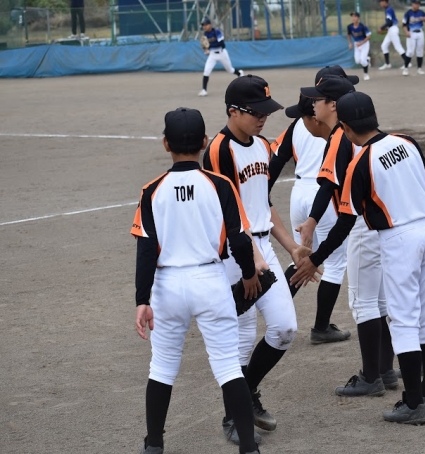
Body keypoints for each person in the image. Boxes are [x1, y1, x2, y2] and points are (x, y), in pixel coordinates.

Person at [291, 91, 425, 425]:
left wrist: (316, 258)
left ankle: (413, 403)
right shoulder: (406, 141)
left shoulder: (360, 163)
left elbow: (345, 223)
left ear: (346, 128)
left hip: (399, 239)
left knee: (403, 320)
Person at [132, 107, 261, 454]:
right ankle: (249, 448)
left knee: (162, 368)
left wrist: (142, 300)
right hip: (210, 280)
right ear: (204, 142)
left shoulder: (151, 190)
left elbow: (146, 250)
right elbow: (239, 240)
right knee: (228, 367)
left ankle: (154, 445)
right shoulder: (220, 185)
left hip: (167, 285)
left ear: (165, 144)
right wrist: (248, 274)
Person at [202, 75, 311, 439]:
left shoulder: (263, 146)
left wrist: (291, 247)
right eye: (256, 112)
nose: (263, 118)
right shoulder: (219, 150)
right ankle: (234, 416)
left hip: (261, 246)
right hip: (235, 250)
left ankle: (246, 394)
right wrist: (250, 258)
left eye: (266, 111)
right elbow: (229, 214)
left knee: (284, 328)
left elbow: (263, 203)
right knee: (242, 335)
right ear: (233, 111)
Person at [295, 75, 400, 395]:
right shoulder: (356, 133)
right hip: (380, 221)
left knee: (364, 302)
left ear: (333, 105)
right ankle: (385, 370)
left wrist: (314, 245)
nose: (312, 104)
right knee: (380, 301)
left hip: (363, 224)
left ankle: (371, 377)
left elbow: (331, 190)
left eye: (317, 99)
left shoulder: (341, 136)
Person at [268, 67, 356, 346]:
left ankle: (275, 313)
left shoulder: (296, 124)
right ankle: (321, 327)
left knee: (301, 256)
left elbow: (275, 160)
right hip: (325, 194)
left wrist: (262, 194)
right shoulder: (343, 125)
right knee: (335, 262)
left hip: (299, 193)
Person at [198, 18, 244, 97]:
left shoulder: (217, 31)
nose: (204, 26)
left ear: (210, 25)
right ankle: (204, 90)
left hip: (222, 53)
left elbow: (222, 44)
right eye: (203, 25)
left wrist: (210, 46)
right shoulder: (205, 35)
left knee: (230, 70)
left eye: (206, 25)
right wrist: (206, 50)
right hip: (212, 55)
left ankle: (240, 73)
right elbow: (205, 46)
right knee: (206, 71)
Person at [402, 0, 425, 76]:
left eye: (418, 4)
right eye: (415, 3)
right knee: (410, 51)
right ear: (412, 4)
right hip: (411, 33)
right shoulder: (408, 13)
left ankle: (419, 69)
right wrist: (406, 32)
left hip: (420, 33)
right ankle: (406, 68)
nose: (417, 5)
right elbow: (404, 25)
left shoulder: (422, 12)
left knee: (420, 51)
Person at [377, 0, 408, 70]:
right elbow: (389, 23)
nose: (380, 3)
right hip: (391, 30)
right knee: (384, 46)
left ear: (385, 2)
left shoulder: (389, 9)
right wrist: (385, 28)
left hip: (393, 29)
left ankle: (407, 62)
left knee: (398, 47)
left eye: (381, 1)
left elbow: (389, 22)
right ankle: (387, 64)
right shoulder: (387, 9)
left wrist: (381, 28)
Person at [347, 12, 372, 81]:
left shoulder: (363, 26)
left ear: (358, 18)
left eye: (355, 16)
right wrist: (350, 43)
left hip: (364, 43)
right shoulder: (350, 26)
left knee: (363, 61)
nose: (353, 18)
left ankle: (366, 74)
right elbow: (348, 35)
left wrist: (361, 43)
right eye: (352, 16)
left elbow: (368, 36)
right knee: (357, 61)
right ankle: (367, 60)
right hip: (357, 44)